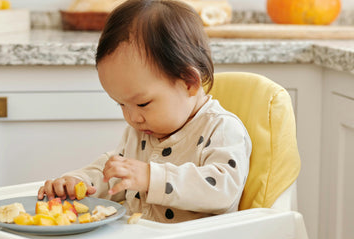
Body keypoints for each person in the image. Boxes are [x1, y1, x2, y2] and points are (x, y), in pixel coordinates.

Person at [38, 0, 252, 223]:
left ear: (189, 83)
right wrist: (77, 182)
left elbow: (223, 189)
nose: (132, 118)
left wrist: (152, 177)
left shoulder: (221, 128)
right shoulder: (142, 130)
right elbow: (113, 171)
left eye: (142, 104)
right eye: (121, 104)